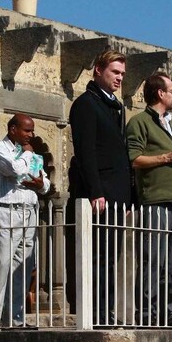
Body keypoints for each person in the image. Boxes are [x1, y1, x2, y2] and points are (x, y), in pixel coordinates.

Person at [126, 72, 172, 326]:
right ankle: (148, 316)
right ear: (160, 93)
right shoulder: (139, 122)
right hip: (155, 201)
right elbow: (134, 158)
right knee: (152, 262)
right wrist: (166, 158)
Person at [67, 48, 133, 324]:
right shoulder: (86, 104)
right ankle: (95, 312)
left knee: (110, 258)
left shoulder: (113, 106)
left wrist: (129, 199)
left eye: (122, 74)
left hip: (116, 195)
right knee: (97, 257)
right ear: (98, 70)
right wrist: (96, 191)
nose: (119, 79)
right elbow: (86, 152)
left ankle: (106, 311)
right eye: (114, 72)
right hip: (100, 194)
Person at [0, 114, 51, 328]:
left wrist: (39, 184)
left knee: (24, 265)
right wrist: (28, 155)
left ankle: (15, 318)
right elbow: (15, 169)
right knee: (2, 263)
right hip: (9, 210)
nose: (31, 135)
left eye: (32, 130)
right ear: (13, 129)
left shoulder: (31, 153)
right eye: (27, 130)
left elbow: (45, 183)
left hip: (30, 210)